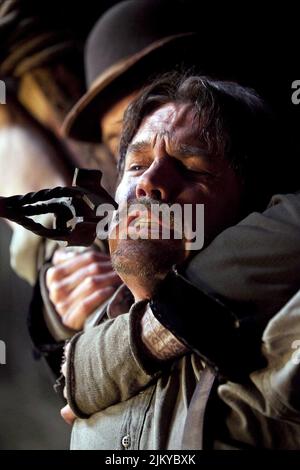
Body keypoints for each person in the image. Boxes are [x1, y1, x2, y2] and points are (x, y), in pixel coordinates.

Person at [60, 73, 300, 450]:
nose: (149, 182)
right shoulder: (95, 323)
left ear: (256, 209)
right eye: (136, 165)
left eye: (191, 168)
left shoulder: (281, 342)